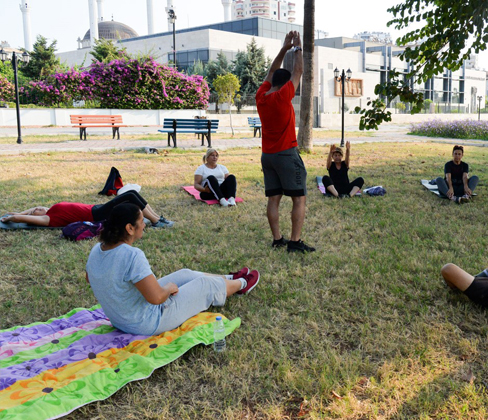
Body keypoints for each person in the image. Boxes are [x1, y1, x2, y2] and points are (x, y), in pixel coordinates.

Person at [85, 203, 260, 335]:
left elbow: (90, 277)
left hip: (122, 317)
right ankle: (242, 284)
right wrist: (168, 289)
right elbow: (156, 298)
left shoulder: (97, 249)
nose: (145, 224)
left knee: (186, 274)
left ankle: (229, 278)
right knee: (206, 285)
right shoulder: (131, 255)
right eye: (141, 221)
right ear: (130, 228)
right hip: (148, 322)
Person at [256, 30, 314, 253]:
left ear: (271, 82)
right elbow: (298, 70)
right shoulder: (283, 96)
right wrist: (298, 47)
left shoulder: (261, 97)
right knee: (299, 198)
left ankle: (277, 239)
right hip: (286, 154)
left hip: (267, 156)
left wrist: (284, 48)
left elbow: (272, 71)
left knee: (274, 198)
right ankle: (295, 242)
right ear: (286, 83)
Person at [0, 190, 173, 228]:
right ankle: (156, 221)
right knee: (130, 195)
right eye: (34, 211)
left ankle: (157, 218)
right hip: (97, 214)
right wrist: (10, 218)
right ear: (36, 217)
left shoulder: (48, 210)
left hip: (97, 208)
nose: (36, 208)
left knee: (133, 195)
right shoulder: (48, 219)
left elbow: (24, 213)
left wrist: (16, 212)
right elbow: (22, 219)